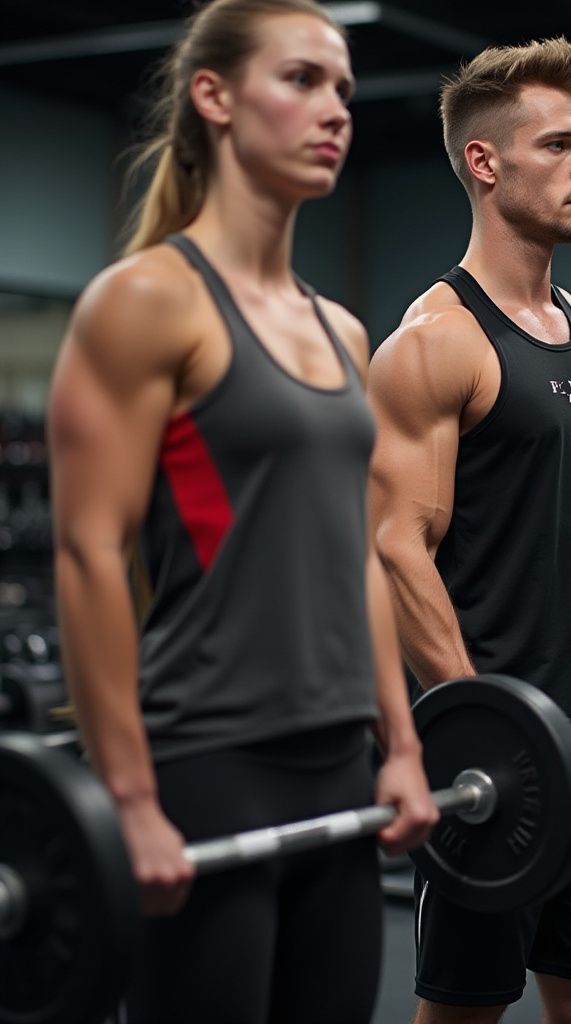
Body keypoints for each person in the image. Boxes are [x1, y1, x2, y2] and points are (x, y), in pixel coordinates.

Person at [45, 2, 436, 1022]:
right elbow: (89, 550)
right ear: (214, 98)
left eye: (344, 88)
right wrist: (127, 799)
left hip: (337, 763)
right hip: (206, 762)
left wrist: (398, 743)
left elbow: (358, 554)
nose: (335, 110)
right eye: (301, 80)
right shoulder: (145, 303)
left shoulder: (342, 330)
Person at [367, 37, 571, 1024]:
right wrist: (479, 729)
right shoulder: (433, 343)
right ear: (485, 163)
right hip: (496, 746)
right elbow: (398, 546)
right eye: (558, 145)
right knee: (464, 1004)